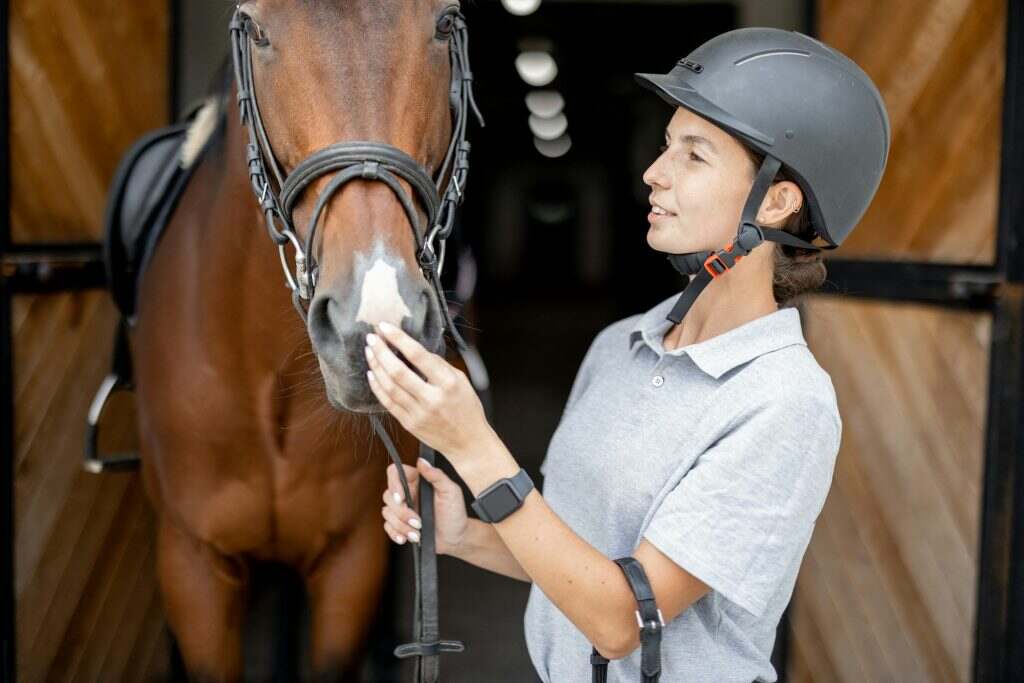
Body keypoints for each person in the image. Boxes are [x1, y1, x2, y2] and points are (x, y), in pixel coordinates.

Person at [365, 26, 890, 683]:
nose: (654, 172)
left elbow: (621, 620)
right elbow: (573, 558)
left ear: (778, 202)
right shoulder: (620, 346)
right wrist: (466, 532)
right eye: (667, 145)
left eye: (694, 156)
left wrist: (475, 446)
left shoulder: (785, 401)